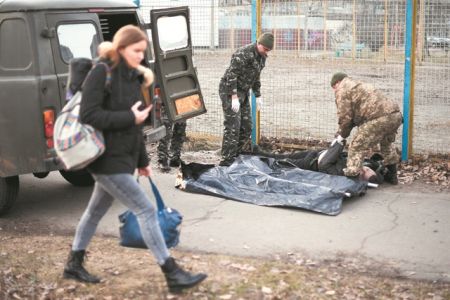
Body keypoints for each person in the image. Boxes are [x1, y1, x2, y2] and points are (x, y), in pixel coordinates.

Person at [63, 25, 207, 293]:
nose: (141, 56)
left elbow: (136, 126)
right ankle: (172, 273)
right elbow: (89, 115)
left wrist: (142, 161)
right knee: (146, 210)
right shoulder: (101, 73)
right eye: (136, 50)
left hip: (123, 157)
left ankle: (74, 263)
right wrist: (130, 117)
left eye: (143, 51)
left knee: (94, 212)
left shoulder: (132, 77)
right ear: (121, 48)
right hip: (105, 159)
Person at [330, 72, 403, 184]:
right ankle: (392, 175)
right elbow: (358, 113)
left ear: (337, 82)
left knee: (356, 146)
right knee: (386, 144)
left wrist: (341, 135)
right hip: (395, 115)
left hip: (379, 118)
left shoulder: (342, 89)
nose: (334, 91)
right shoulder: (357, 84)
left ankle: (352, 180)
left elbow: (345, 118)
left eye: (333, 87)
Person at [218, 32, 274, 166]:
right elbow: (232, 74)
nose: (267, 52)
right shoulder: (243, 53)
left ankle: (235, 155)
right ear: (258, 44)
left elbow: (256, 76)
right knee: (233, 126)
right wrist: (233, 97)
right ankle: (226, 160)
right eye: (265, 49)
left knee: (247, 126)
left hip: (243, 92)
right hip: (229, 90)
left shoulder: (262, 57)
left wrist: (258, 95)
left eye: (269, 50)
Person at [253, 139, 385, 184]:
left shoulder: (344, 174)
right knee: (286, 156)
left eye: (365, 172)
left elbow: (325, 165)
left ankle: (260, 158)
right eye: (367, 168)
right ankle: (262, 154)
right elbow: (375, 162)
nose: (365, 168)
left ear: (362, 177)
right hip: (315, 154)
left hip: (310, 163)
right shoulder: (363, 166)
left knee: (282, 162)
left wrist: (338, 145)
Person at [157, 103, 187, 172]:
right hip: (166, 100)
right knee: (166, 131)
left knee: (180, 129)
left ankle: (175, 157)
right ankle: (162, 158)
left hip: (181, 101)